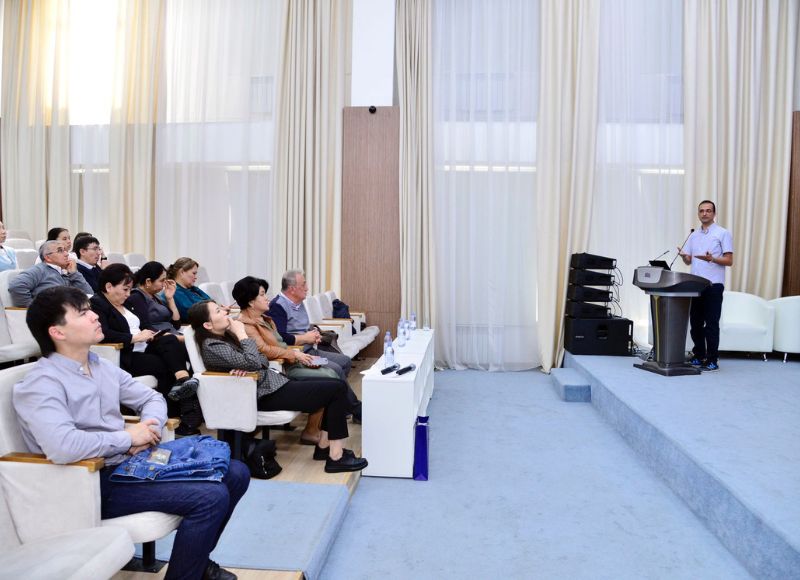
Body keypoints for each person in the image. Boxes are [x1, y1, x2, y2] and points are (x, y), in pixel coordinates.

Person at [13, 286, 247, 580]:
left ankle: (196, 565)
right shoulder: (41, 383)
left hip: (129, 464)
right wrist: (127, 438)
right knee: (209, 497)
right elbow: (63, 446)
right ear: (57, 332)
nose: (95, 316)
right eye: (83, 313)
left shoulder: (99, 365)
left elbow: (152, 398)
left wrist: (148, 428)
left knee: (236, 472)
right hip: (89, 483)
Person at [189, 300, 368, 473]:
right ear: (208, 325)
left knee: (336, 386)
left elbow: (262, 360)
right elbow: (254, 361)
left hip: (271, 385)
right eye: (218, 311)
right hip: (262, 394)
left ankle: (324, 447)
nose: (225, 312)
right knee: (336, 389)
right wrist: (243, 336)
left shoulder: (226, 338)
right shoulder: (212, 345)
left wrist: (248, 363)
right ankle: (335, 457)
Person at [90, 264, 202, 435]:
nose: (128, 294)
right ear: (109, 287)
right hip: (126, 353)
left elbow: (146, 325)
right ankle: (174, 414)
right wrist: (133, 338)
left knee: (170, 341)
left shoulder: (124, 304)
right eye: (125, 289)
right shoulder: (98, 304)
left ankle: (183, 381)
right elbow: (103, 333)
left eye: (129, 289)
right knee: (163, 365)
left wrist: (150, 335)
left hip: (144, 346)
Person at [234, 276, 341, 446]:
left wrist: (300, 355)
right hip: (281, 368)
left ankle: (319, 428)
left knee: (331, 372)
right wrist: (295, 355)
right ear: (251, 302)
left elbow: (280, 344)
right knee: (329, 378)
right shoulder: (245, 325)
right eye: (262, 294)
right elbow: (264, 350)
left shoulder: (265, 319)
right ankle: (312, 431)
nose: (267, 298)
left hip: (289, 360)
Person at [268, 270, 361, 421]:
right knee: (335, 369)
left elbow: (301, 327)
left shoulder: (299, 302)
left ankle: (337, 403)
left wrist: (314, 333)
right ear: (292, 289)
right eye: (303, 284)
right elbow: (280, 338)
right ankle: (355, 409)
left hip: (311, 350)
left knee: (345, 361)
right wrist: (305, 338)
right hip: (300, 355)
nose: (307, 288)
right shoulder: (278, 306)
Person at [678, 200, 734, 372]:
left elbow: (729, 261)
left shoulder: (722, 233)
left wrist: (713, 259)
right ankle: (699, 355)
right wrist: (684, 256)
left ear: (714, 214)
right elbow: (689, 261)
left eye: (708, 211)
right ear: (698, 214)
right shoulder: (693, 235)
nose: (704, 213)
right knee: (695, 324)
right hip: (696, 286)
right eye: (701, 211)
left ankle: (712, 360)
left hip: (713, 285)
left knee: (711, 324)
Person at [8, 240, 94, 306]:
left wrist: (74, 273)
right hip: (52, 318)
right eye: (60, 251)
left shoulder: (67, 273)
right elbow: (17, 286)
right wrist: (34, 308)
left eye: (65, 250)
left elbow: (89, 294)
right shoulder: (39, 270)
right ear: (48, 257)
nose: (66, 254)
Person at [127, 261, 184, 338]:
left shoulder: (156, 297)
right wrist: (179, 338)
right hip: (159, 340)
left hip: (172, 336)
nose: (164, 284)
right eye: (162, 280)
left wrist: (170, 298)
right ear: (148, 282)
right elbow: (146, 328)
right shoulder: (136, 297)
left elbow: (176, 324)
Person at [167, 257, 214, 322]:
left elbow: (211, 302)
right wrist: (216, 310)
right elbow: (192, 313)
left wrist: (219, 308)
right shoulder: (174, 292)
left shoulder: (193, 289)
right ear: (182, 272)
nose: (196, 277)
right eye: (193, 273)